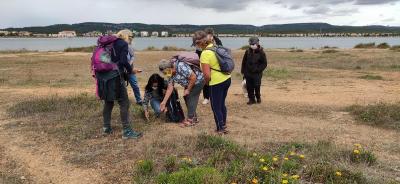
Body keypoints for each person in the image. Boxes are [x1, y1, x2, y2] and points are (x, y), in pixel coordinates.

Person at [95, 29, 142, 139]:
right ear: (128, 37)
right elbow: (123, 61)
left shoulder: (108, 43)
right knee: (124, 102)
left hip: (102, 77)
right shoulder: (123, 44)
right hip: (115, 76)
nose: (131, 40)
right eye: (131, 38)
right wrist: (130, 71)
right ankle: (127, 131)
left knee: (108, 102)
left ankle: (106, 128)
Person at [193, 30, 231, 134]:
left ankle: (220, 128)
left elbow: (207, 75)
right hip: (227, 78)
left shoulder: (205, 54)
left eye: (195, 44)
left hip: (216, 83)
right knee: (222, 104)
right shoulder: (214, 46)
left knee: (215, 106)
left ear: (198, 43)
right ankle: (223, 124)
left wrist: (206, 83)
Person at [158, 58, 205, 127]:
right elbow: (170, 88)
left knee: (190, 97)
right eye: (164, 73)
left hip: (198, 81)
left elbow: (193, 77)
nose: (165, 74)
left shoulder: (180, 66)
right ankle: (194, 118)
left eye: (165, 72)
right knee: (186, 97)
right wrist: (164, 102)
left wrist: (188, 90)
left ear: (169, 68)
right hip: (189, 83)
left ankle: (190, 120)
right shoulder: (170, 73)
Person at [196, 28, 223, 105]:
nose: (208, 36)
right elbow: (197, 53)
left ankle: (216, 97)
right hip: (205, 63)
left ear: (212, 35)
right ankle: (206, 98)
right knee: (206, 81)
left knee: (216, 82)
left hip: (215, 65)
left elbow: (221, 51)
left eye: (210, 35)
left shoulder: (218, 41)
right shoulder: (202, 41)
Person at [241, 37, 268, 105]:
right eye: (251, 44)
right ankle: (251, 99)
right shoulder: (247, 51)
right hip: (248, 73)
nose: (252, 45)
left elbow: (264, 64)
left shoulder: (262, 52)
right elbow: (244, 62)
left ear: (257, 43)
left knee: (257, 86)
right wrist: (243, 71)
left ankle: (258, 97)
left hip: (257, 74)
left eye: (253, 44)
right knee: (249, 87)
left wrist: (258, 69)